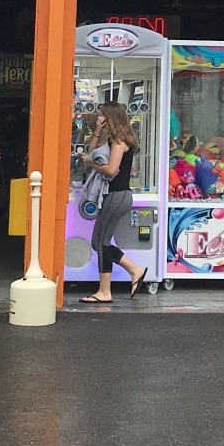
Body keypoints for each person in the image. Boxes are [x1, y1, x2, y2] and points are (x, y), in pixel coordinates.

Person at [80, 103, 145, 303]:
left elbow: (111, 170)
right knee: (98, 242)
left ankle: (105, 291)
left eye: (102, 116)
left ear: (110, 117)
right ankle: (134, 270)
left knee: (102, 242)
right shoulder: (112, 139)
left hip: (117, 195)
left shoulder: (119, 141)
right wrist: (97, 132)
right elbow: (90, 153)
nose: (99, 118)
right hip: (115, 196)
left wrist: (92, 164)